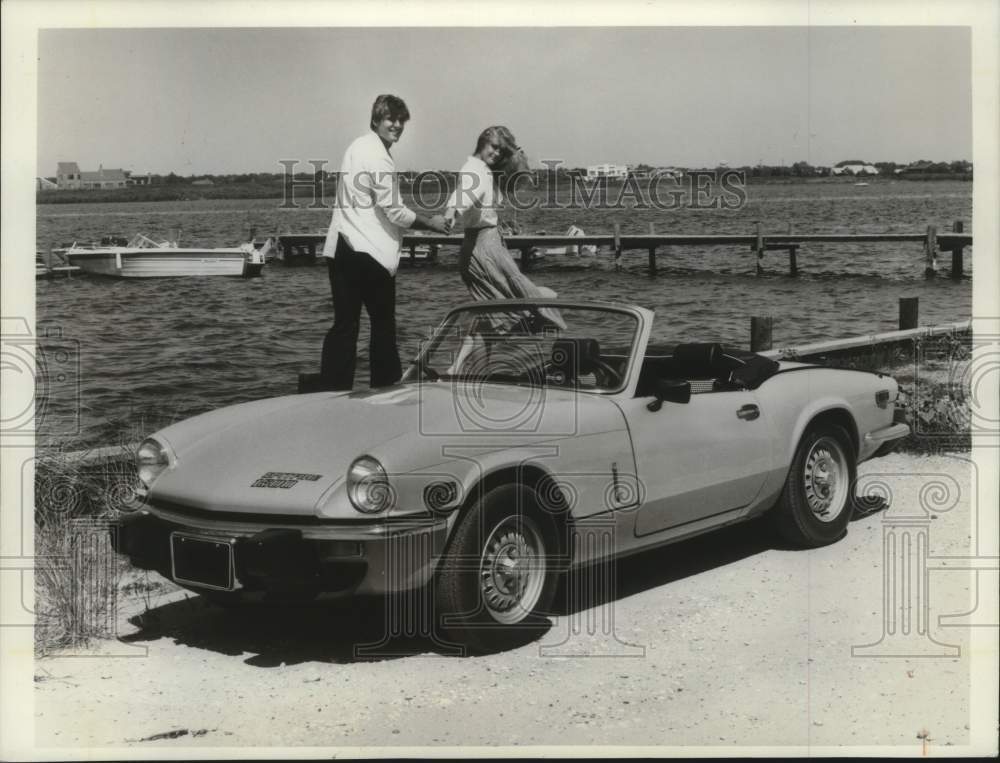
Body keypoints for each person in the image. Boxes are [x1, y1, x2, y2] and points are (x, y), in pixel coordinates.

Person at [320, 94, 448, 390]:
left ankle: (330, 396)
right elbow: (395, 212)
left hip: (341, 248)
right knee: (383, 327)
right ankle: (387, 394)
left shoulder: (357, 146)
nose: (397, 125)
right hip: (370, 255)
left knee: (344, 326)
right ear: (376, 120)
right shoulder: (378, 156)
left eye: (402, 120)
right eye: (391, 119)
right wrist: (433, 224)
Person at [442, 126, 565, 375]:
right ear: (482, 142)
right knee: (539, 300)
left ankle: (459, 369)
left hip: (484, 246)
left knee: (490, 315)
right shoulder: (474, 170)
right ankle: (471, 371)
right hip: (484, 250)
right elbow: (464, 194)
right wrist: (451, 212)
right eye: (494, 147)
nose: (497, 154)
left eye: (501, 150)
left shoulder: (484, 170)